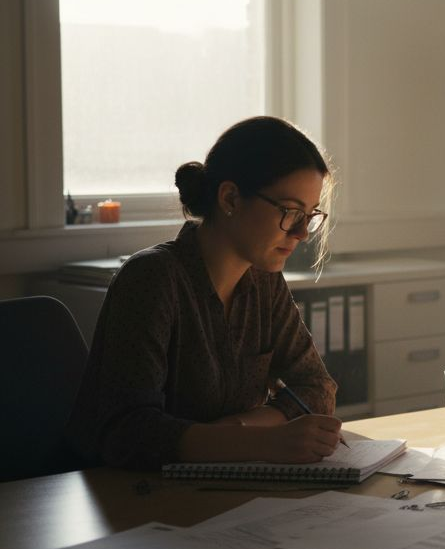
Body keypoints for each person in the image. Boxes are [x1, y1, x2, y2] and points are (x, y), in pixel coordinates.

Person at [67, 116, 343, 470]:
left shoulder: (264, 281)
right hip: (128, 496)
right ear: (230, 198)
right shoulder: (152, 279)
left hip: (217, 490)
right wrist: (265, 441)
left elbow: (318, 389)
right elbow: (128, 432)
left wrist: (239, 427)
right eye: (290, 212)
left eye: (310, 215)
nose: (303, 233)